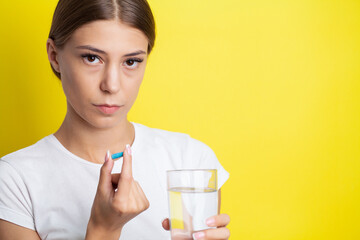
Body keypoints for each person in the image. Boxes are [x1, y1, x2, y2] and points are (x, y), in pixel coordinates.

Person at [0, 0, 230, 239]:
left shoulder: (190, 161)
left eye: (131, 62)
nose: (111, 85)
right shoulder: (15, 181)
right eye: (92, 58)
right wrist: (103, 229)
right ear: (54, 55)